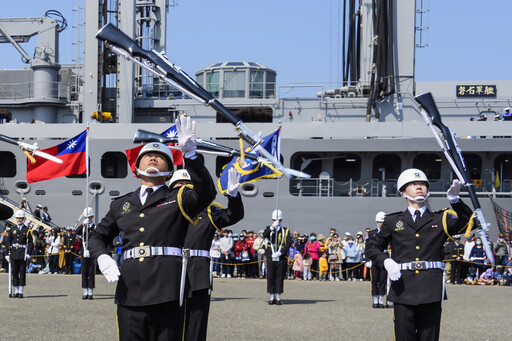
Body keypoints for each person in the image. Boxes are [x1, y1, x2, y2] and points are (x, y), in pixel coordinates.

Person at [89, 116, 216, 341]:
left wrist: (191, 156)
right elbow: (98, 236)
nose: (153, 158)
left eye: (160, 157)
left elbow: (206, 194)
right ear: (137, 168)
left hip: (167, 290)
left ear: (169, 172)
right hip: (130, 290)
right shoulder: (121, 204)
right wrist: (102, 257)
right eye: (147, 156)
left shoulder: (178, 198)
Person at [366, 168, 474, 341]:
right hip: (403, 286)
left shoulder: (441, 219)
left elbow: (469, 223)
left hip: (430, 289)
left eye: (422, 184)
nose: (419, 187)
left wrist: (455, 200)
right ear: (403, 193)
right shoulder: (393, 221)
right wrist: (386, 261)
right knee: (404, 337)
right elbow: (372, 247)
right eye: (413, 184)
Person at [177, 167, 243, 341]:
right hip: (168, 273)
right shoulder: (162, 210)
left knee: (196, 326)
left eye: (187, 186)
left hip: (198, 275)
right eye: (178, 186)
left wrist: (233, 196)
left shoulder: (208, 211)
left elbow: (233, 215)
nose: (183, 189)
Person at [263, 209, 292, 305]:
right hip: (271, 255)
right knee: (270, 275)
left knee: (279, 276)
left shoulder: (286, 230)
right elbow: (264, 235)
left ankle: (278, 297)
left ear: (281, 220)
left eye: (278, 220)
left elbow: (288, 243)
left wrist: (281, 252)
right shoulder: (268, 228)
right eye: (275, 220)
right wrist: (272, 227)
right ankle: (271, 296)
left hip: (281, 256)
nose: (276, 222)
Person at [5, 210, 34, 298]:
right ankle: (15, 291)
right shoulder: (12, 229)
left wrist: (29, 253)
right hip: (13, 253)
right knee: (14, 273)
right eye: (17, 218)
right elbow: (8, 242)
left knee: (22, 273)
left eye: (20, 218)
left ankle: (21, 291)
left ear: (23, 219)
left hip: (22, 254)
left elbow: (31, 243)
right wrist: (6, 254)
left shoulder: (27, 230)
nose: (19, 220)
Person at [365, 211, 389, 308]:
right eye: (379, 222)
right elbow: (368, 247)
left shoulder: (388, 232)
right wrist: (368, 260)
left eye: (382, 222)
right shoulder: (372, 233)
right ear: (376, 222)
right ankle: (375, 300)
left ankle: (381, 300)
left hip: (384, 258)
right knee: (374, 280)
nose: (381, 224)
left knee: (383, 280)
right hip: (374, 259)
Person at [76, 207, 96, 299]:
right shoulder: (84, 227)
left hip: (91, 250)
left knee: (91, 271)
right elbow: (76, 232)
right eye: (86, 217)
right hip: (84, 250)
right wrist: (83, 224)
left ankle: (90, 292)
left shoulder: (95, 227)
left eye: (89, 217)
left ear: (92, 217)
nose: (87, 219)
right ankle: (85, 291)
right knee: (84, 271)